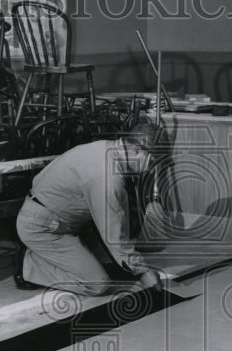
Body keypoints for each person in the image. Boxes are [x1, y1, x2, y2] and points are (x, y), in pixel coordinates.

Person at [14, 122, 164, 295]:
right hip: (42, 228)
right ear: (137, 150)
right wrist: (142, 270)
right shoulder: (106, 177)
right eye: (152, 161)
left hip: (58, 219)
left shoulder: (106, 148)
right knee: (98, 284)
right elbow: (113, 234)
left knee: (115, 264)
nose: (152, 168)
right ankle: (28, 265)